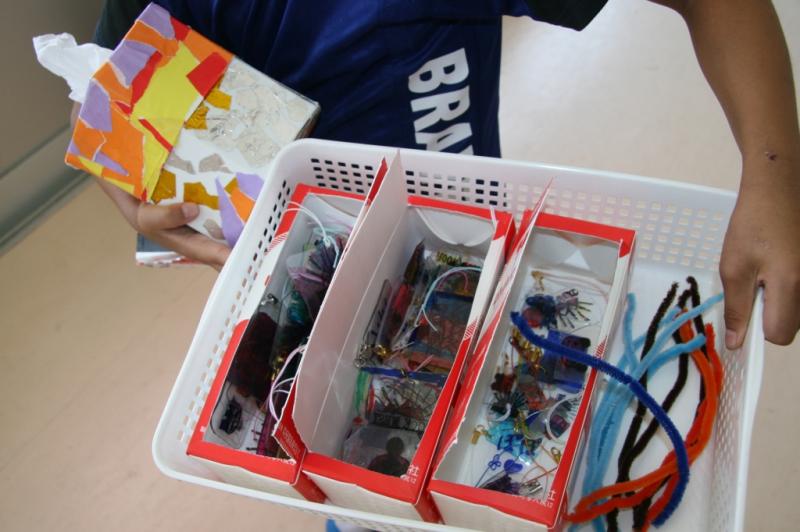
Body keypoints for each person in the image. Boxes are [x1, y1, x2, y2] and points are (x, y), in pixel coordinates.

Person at [81, 0, 800, 352]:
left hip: (465, 240)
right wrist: (138, 203)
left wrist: (775, 180)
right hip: (305, 279)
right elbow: (103, 91)